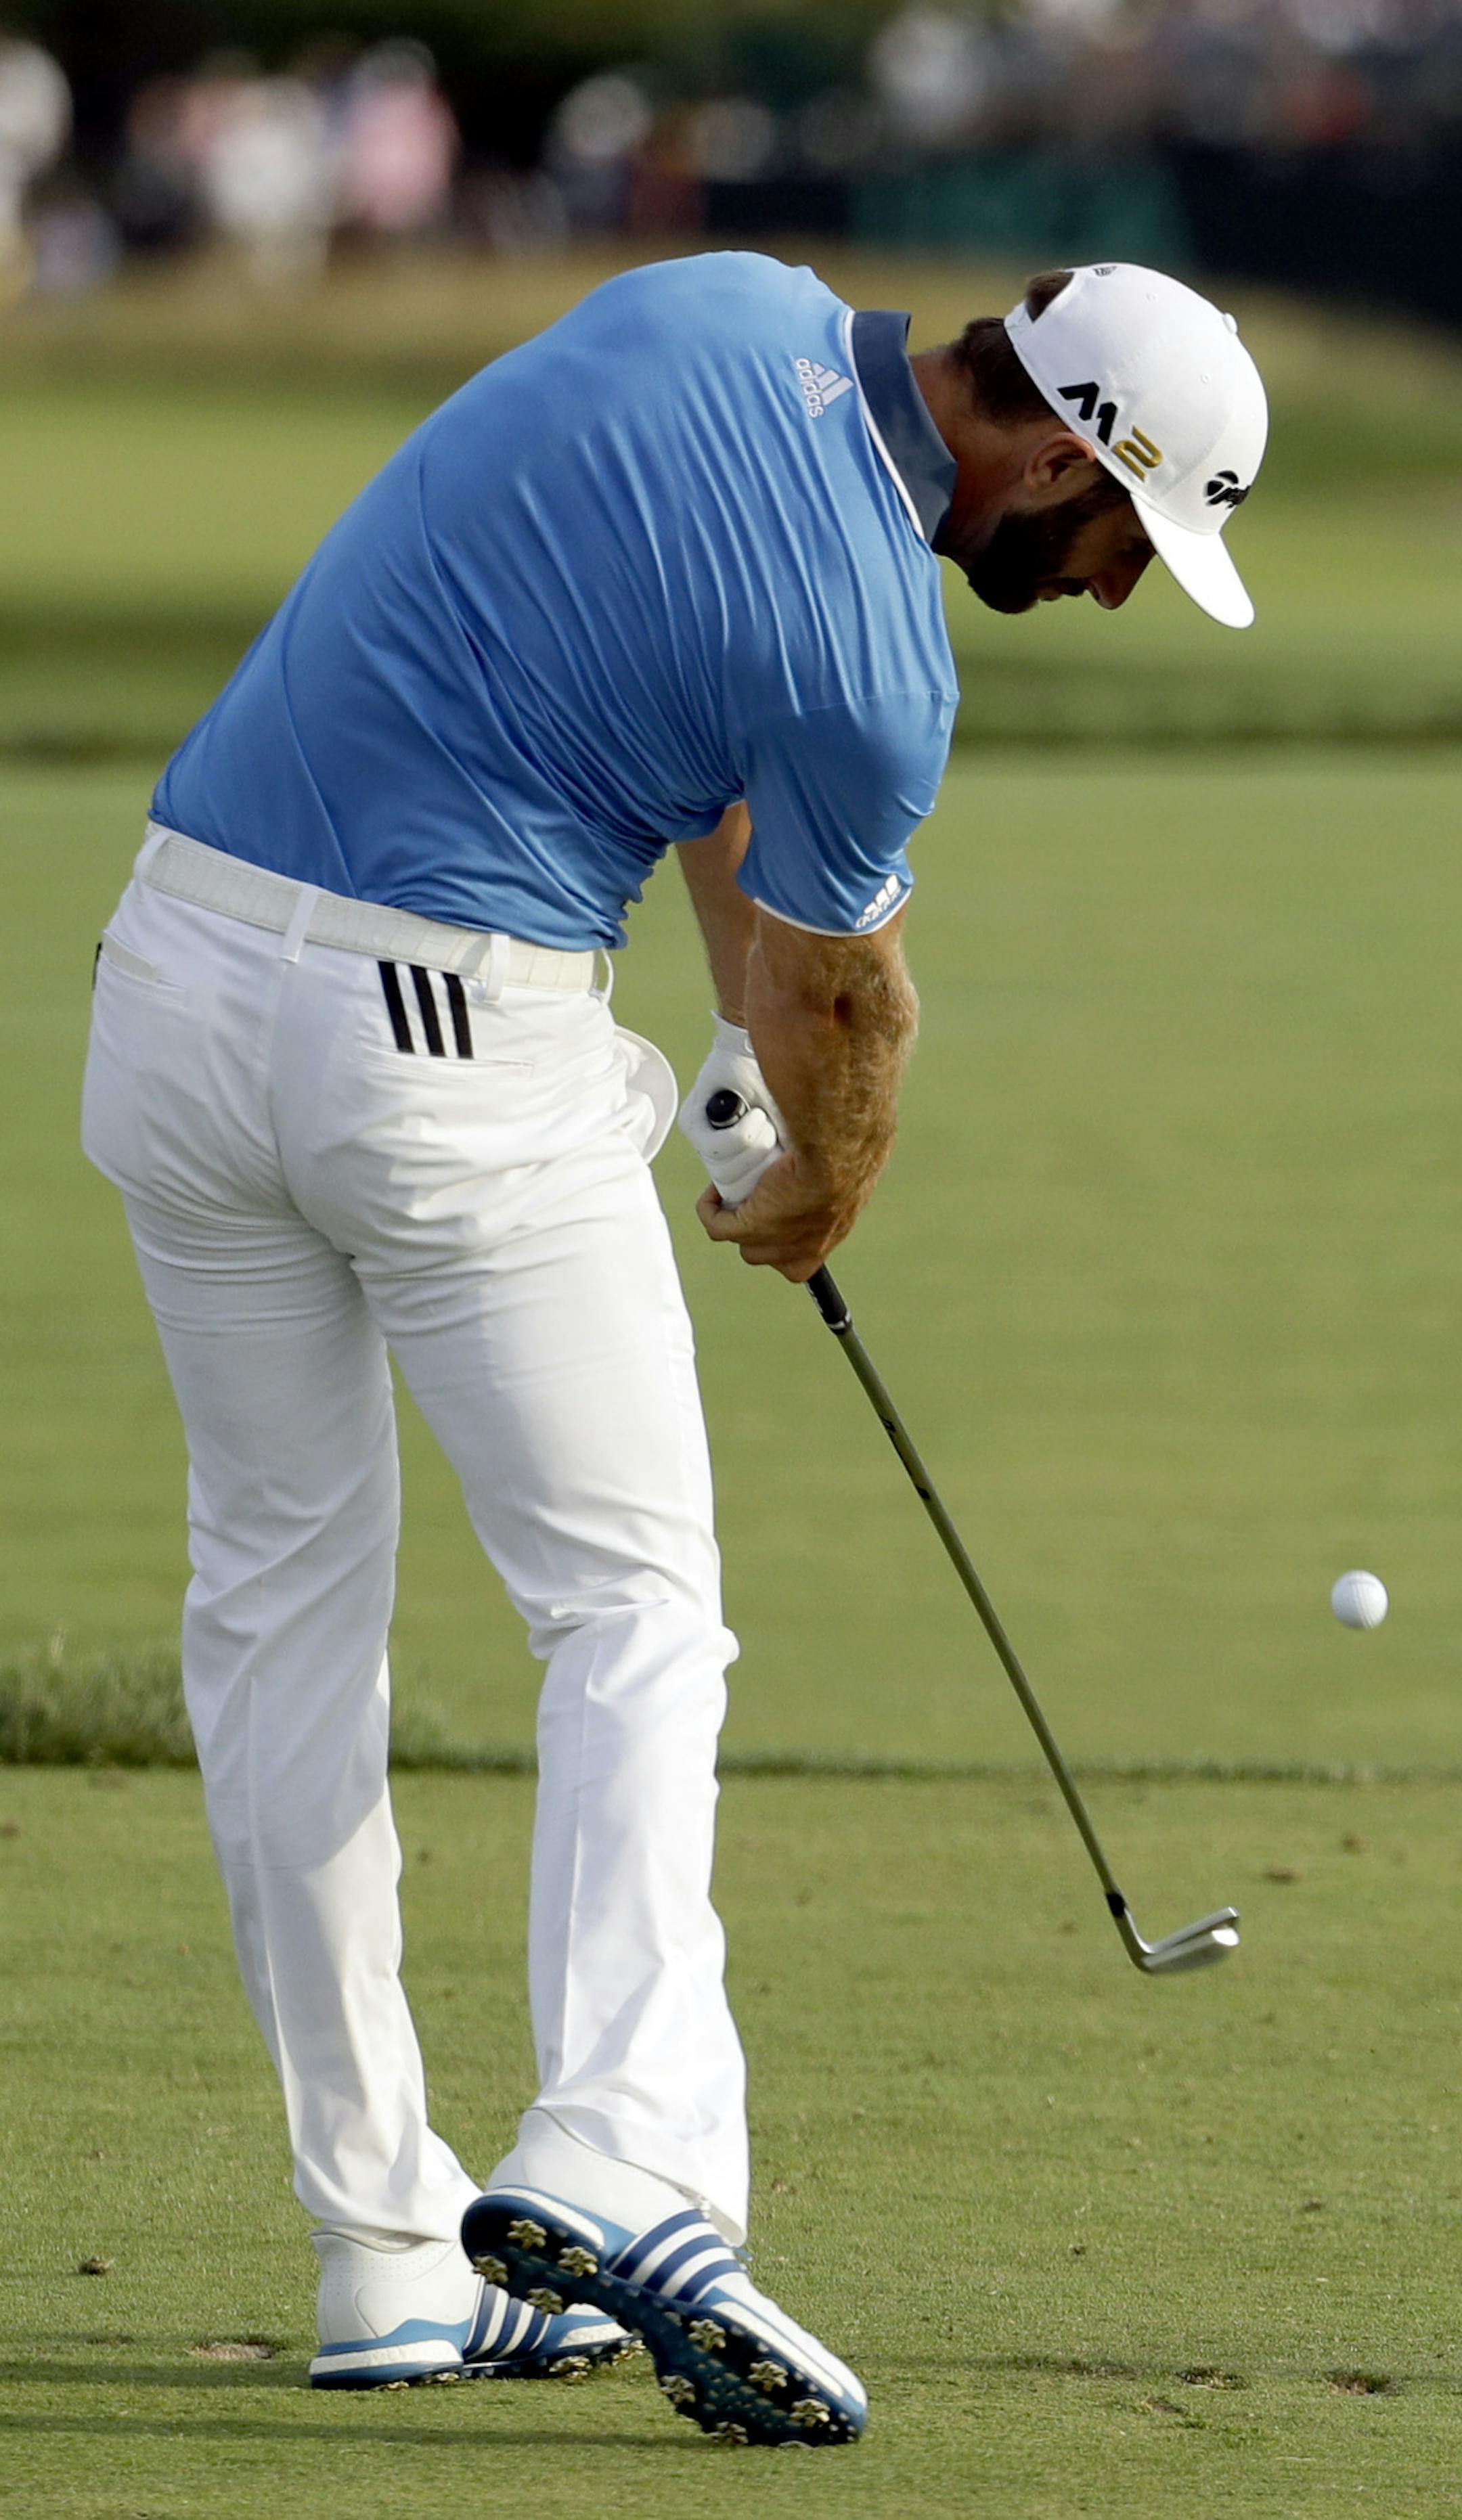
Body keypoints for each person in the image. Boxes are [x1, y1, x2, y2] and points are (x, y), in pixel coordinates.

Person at [81, 254, 1265, 2445]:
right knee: (632, 1611)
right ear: (1055, 452)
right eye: (1123, 537)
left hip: (169, 980)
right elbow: (856, 1006)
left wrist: (733, 1050)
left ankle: (382, 2253)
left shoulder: (714, 301)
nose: (1109, 591)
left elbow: (717, 791)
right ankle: (620, 2145)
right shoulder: (886, 663)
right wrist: (818, 1177)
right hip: (438, 1047)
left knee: (276, 1620)